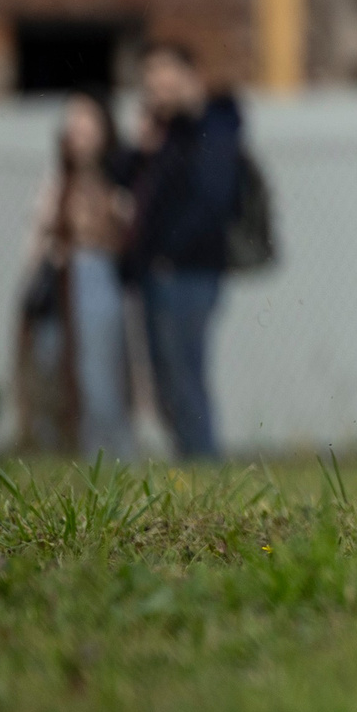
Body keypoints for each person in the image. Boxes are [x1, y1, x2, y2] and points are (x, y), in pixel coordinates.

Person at [121, 39, 242, 459]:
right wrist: (142, 148)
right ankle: (188, 463)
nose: (158, 94)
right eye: (151, 86)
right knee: (164, 377)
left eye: (167, 83)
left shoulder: (214, 124)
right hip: (157, 271)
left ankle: (203, 465)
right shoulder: (160, 138)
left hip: (190, 271)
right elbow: (123, 182)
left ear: (190, 79)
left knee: (184, 372)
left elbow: (212, 197)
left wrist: (170, 252)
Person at [13, 90, 138, 458]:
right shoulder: (56, 182)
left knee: (99, 378)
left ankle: (109, 460)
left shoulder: (118, 180)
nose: (77, 129)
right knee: (48, 369)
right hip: (56, 284)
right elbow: (37, 240)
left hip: (96, 279)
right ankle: (55, 460)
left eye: (86, 121)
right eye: (72, 122)